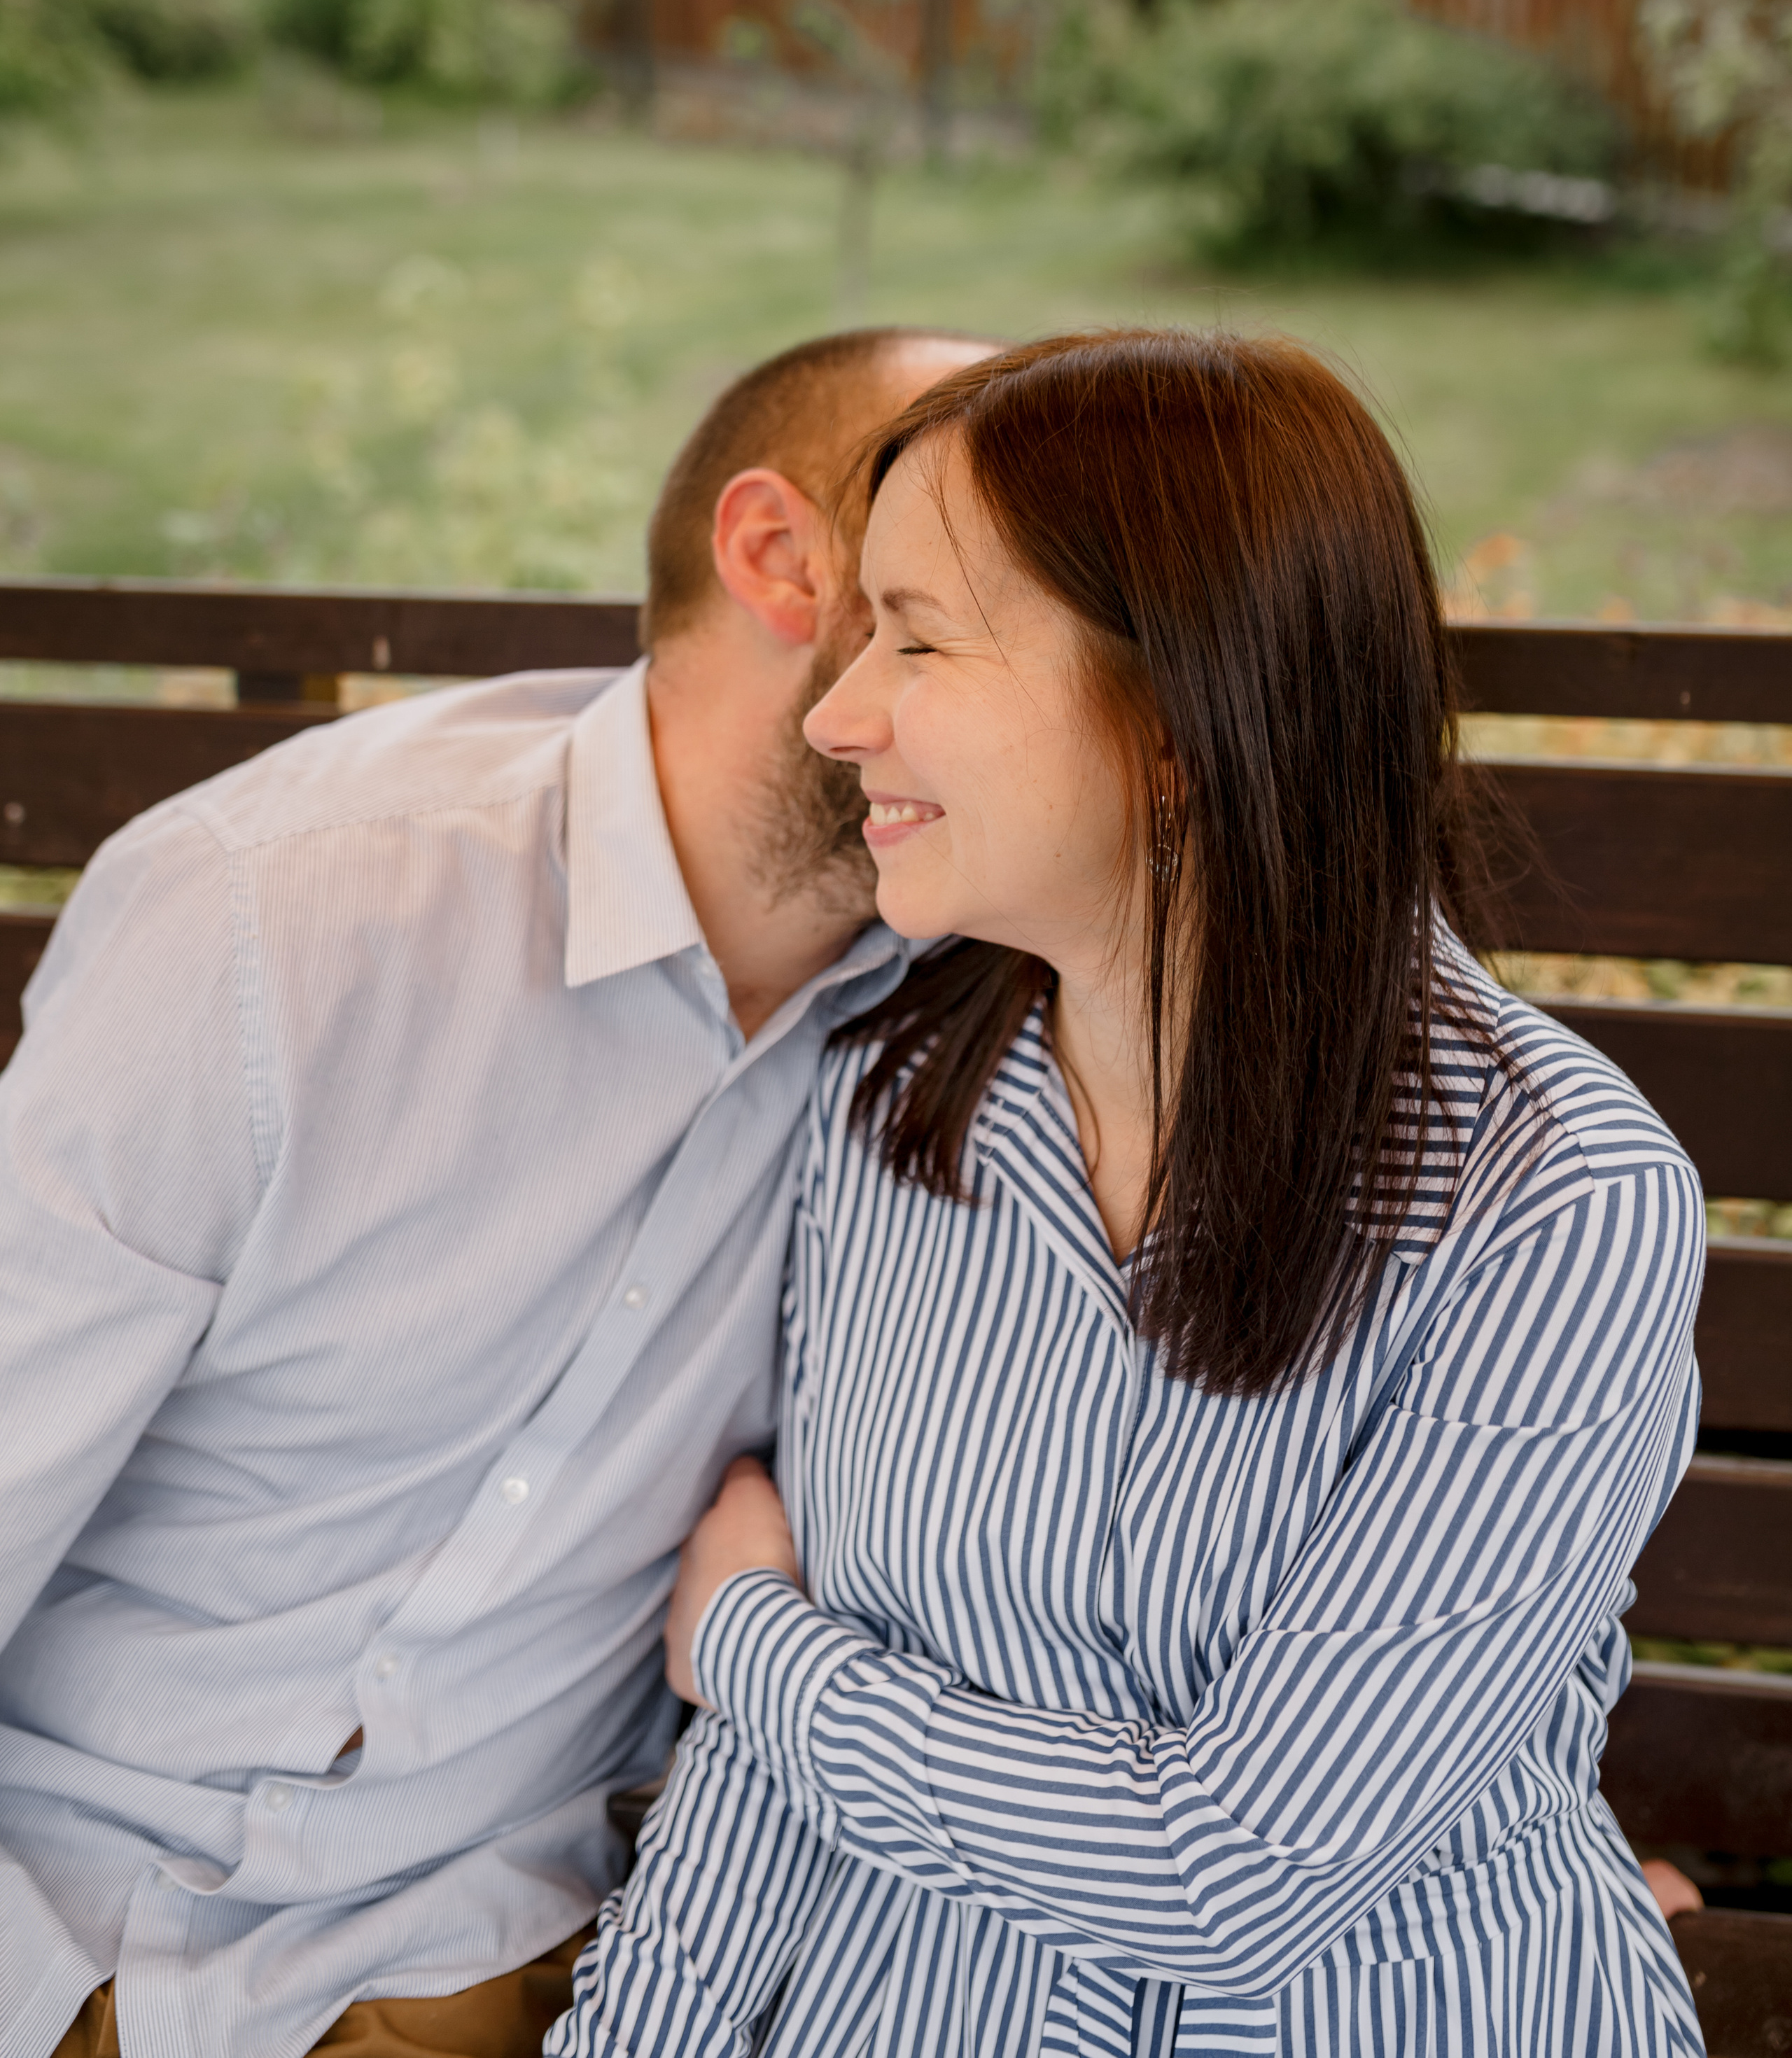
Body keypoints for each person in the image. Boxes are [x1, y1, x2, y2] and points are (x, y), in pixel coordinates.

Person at [553, 330, 1709, 2057]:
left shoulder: (1550, 1198)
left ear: (1178, 718)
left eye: (918, 638)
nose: (837, 708)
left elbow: (1236, 1867)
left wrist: (762, 1651)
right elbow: (764, 1787)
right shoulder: (896, 1107)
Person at [0, 325, 997, 2058]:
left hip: (517, 1962)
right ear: (781, 559)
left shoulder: (984, 1007)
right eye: (995, 583)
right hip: (73, 1924)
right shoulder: (279, 921)